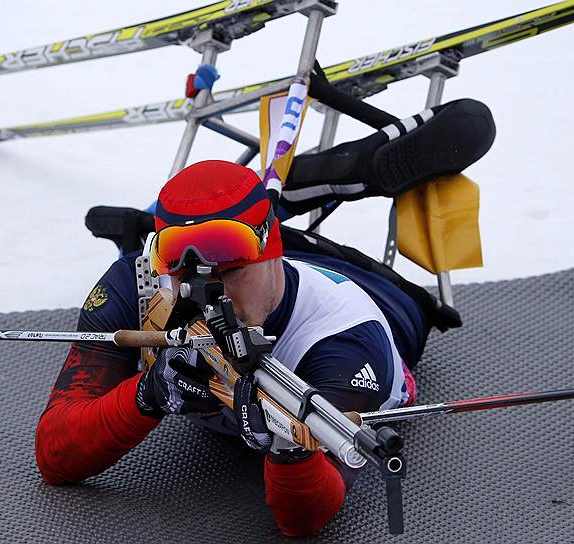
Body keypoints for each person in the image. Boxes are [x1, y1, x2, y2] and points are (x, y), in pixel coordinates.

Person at [35, 160, 429, 536]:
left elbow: (304, 520)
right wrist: (149, 393)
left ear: (271, 247)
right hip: (272, 275)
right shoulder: (136, 286)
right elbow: (54, 455)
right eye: (188, 276)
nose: (212, 297)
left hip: (384, 299)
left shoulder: (345, 341)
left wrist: (287, 445)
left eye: (231, 270)